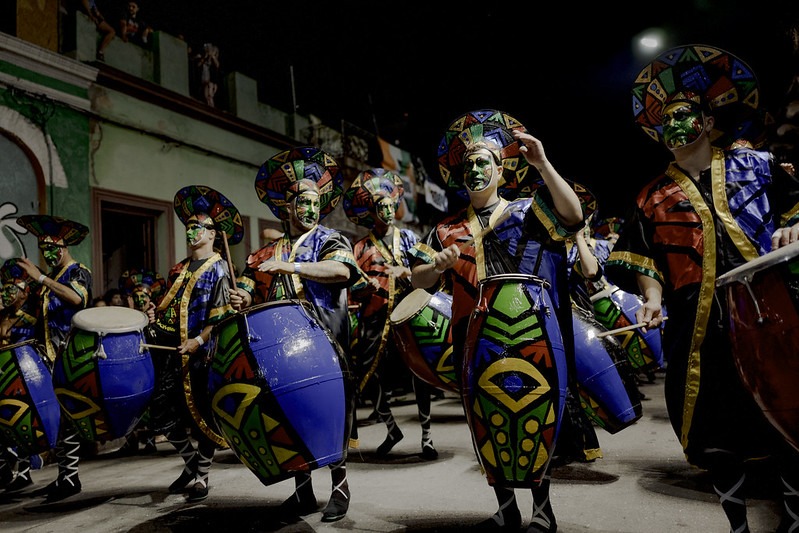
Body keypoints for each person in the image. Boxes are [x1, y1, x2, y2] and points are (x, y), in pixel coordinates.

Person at [606, 44, 799, 533]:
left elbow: (796, 205)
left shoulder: (757, 165)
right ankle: (738, 528)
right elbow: (644, 258)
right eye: (664, 119)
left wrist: (795, 224)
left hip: (767, 314)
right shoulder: (651, 195)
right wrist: (651, 299)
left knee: (785, 419)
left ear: (709, 122)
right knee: (716, 434)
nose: (671, 124)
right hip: (697, 328)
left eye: (683, 113)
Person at [410, 109, 584, 532]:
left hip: (528, 332)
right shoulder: (447, 228)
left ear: (501, 170)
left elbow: (573, 216)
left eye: (483, 162)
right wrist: (437, 265)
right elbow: (417, 279)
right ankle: (506, 509)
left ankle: (543, 511)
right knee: (486, 419)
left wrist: (542, 163)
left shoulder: (528, 210)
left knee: (533, 414)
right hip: (472, 337)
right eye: (468, 164)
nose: (474, 169)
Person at [230, 146, 359, 522]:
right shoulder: (265, 253)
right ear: (286, 207)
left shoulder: (329, 239)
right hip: (280, 349)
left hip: (325, 340)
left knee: (331, 412)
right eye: (302, 201)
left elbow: (342, 271)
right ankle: (303, 491)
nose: (310, 208)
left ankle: (340, 486)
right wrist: (242, 296)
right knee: (291, 412)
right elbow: (249, 288)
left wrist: (291, 267)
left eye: (315, 202)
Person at [144, 185, 241, 503]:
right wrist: (153, 314)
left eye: (198, 226)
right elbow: (168, 308)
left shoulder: (219, 269)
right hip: (172, 352)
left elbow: (221, 317)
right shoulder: (179, 269)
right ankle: (190, 463)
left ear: (213, 233)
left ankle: (202, 475)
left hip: (203, 356)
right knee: (161, 413)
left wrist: (198, 341)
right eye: (188, 226)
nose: (191, 231)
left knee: (202, 417)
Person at [343, 168, 438, 459]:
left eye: (389, 206)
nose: (386, 211)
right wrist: (364, 286)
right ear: (371, 212)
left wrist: (406, 271)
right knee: (368, 378)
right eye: (380, 207)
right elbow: (351, 286)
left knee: (421, 374)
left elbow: (427, 272)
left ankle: (427, 437)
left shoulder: (409, 238)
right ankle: (392, 428)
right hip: (376, 321)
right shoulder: (360, 248)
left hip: (409, 317)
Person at [16, 214, 91, 502]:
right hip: (46, 354)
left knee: (66, 417)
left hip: (70, 354)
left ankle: (70, 478)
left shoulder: (77, 271)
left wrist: (41, 277)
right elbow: (30, 313)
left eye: (52, 248)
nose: (48, 254)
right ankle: (66, 476)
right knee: (58, 418)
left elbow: (77, 299)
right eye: (43, 249)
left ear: (64, 247)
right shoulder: (48, 279)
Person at [0, 258, 41, 493]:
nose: (6, 294)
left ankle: (24, 471)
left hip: (23, 376)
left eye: (12, 290)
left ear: (25, 294)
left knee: (24, 421)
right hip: (4, 373)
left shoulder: (31, 317)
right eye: (4, 289)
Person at [117, 267, 167, 456]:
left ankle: (151, 438)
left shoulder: (157, 316)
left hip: (152, 366)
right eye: (136, 297)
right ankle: (130, 439)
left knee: (152, 402)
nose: (140, 301)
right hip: (132, 368)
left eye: (143, 297)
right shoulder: (126, 317)